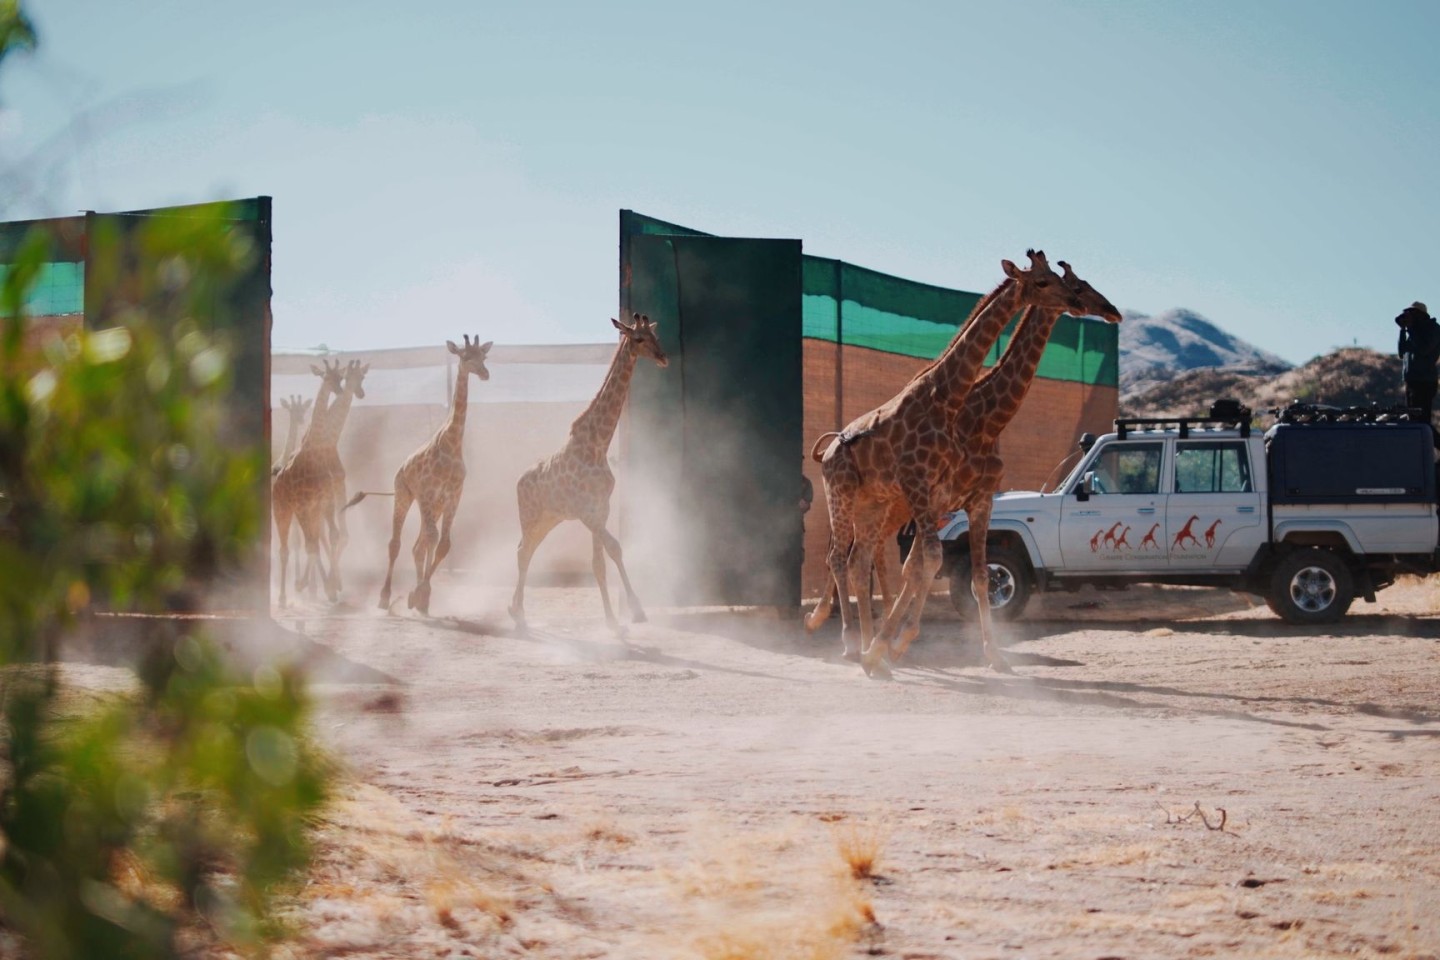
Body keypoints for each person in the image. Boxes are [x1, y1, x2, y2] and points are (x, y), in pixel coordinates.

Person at [1397, 301, 1440, 421]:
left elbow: (1424, 349)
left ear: (1421, 315)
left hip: (1425, 381)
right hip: (1411, 380)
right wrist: (1402, 330)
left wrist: (1410, 329)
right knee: (1412, 418)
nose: (1410, 316)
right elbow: (1402, 353)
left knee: (1421, 419)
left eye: (1413, 313)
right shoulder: (1413, 331)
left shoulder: (1433, 329)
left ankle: (1430, 439)